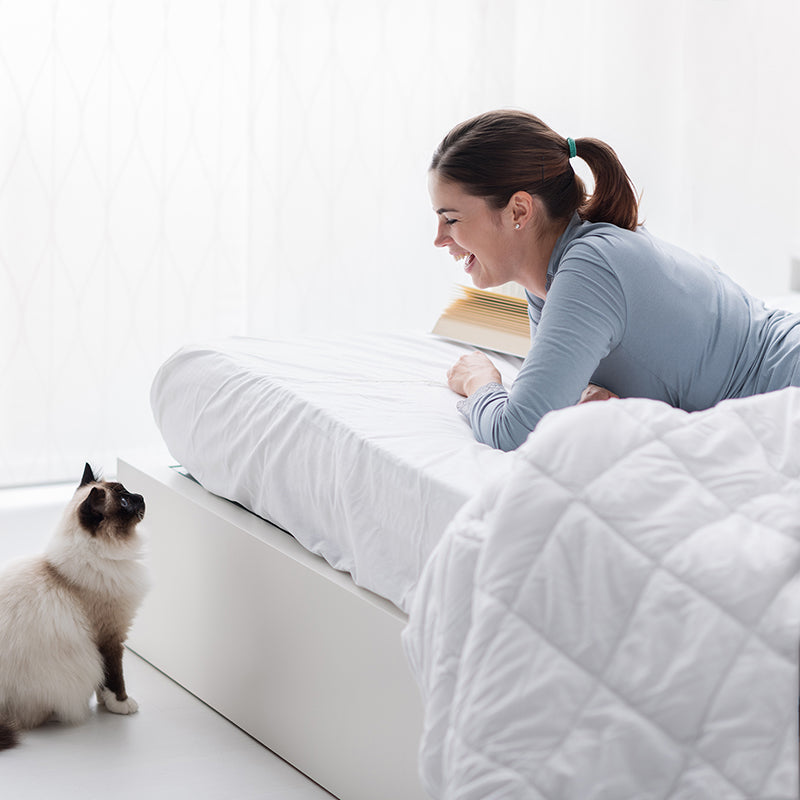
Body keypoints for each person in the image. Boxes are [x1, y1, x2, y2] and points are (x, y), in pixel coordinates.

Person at [429, 109, 800, 451]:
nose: (440, 239)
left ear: (518, 211)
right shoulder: (553, 276)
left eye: (453, 219)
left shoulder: (591, 267)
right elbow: (554, 400)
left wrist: (480, 381)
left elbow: (517, 430)